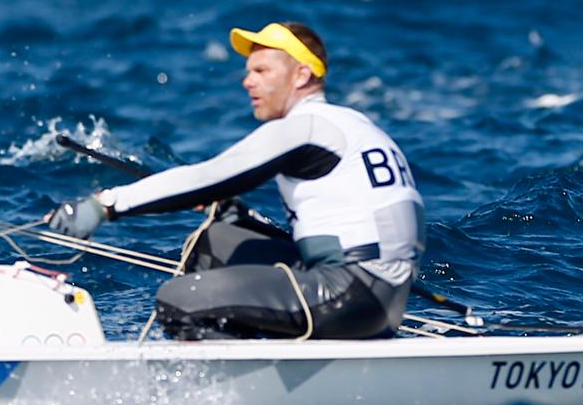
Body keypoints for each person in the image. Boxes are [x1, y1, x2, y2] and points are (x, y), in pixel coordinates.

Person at [48, 22, 425, 340]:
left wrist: (105, 205)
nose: (247, 82)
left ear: (302, 75)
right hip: (381, 293)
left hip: (351, 295)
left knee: (180, 299)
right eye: (248, 71)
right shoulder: (354, 123)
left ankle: (215, 399)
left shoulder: (305, 126)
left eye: (262, 71)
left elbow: (208, 177)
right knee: (218, 241)